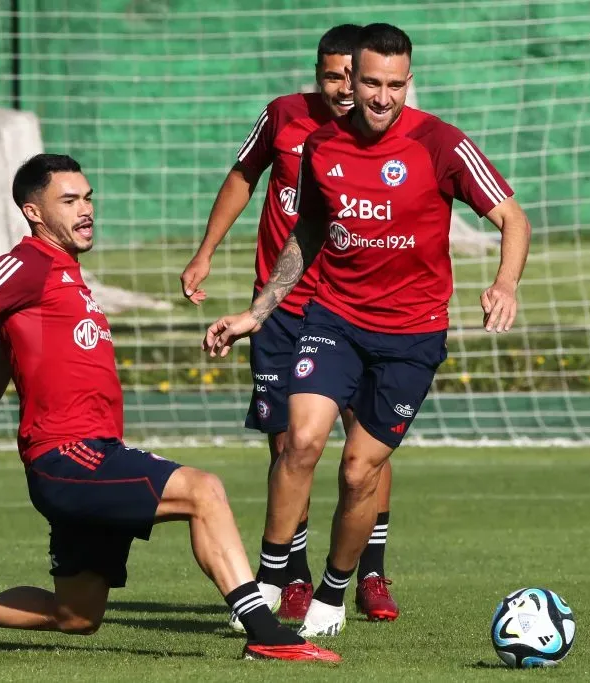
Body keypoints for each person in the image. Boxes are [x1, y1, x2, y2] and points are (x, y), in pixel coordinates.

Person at [0, 154, 339, 663]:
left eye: (88, 198)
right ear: (34, 212)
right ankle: (264, 631)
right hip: (66, 457)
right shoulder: (26, 263)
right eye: (69, 200)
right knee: (203, 490)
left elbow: (2, 362)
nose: (86, 210)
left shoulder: (65, 275)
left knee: (77, 615)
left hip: (92, 452)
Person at [203, 23, 531, 637]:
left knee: (358, 471)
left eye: (395, 85)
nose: (382, 97)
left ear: (410, 82)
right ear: (352, 77)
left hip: (412, 336)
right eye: (371, 83)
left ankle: (334, 589)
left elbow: (513, 216)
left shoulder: (441, 144)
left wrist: (505, 284)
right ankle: (271, 583)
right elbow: (307, 232)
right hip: (334, 319)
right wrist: (262, 308)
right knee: (299, 443)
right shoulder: (321, 145)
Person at [180, 24, 399, 623]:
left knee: (366, 446)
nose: (344, 87)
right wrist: (205, 252)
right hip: (278, 310)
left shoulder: (386, 136)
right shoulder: (283, 117)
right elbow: (242, 178)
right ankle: (291, 575)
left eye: (352, 76)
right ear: (318, 74)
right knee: (287, 444)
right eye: (331, 75)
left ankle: (371, 570)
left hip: (350, 310)